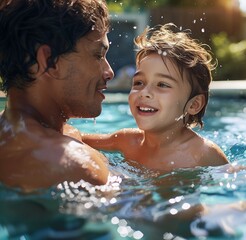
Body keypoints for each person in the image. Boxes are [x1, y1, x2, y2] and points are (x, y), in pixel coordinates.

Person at [0, 0, 114, 192]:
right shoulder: (74, 166)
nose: (109, 72)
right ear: (49, 62)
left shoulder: (11, 138)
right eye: (98, 55)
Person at [82, 23, 229, 172]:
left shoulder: (203, 153)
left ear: (194, 105)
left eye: (162, 85)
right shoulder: (125, 141)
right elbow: (76, 139)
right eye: (139, 82)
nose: (144, 92)